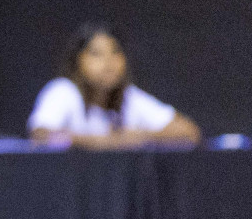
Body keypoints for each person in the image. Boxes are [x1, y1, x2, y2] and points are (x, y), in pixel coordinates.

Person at [28, 23, 201, 149]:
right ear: (78, 61)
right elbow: (41, 135)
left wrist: (138, 137)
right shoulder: (63, 91)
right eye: (96, 54)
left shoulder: (129, 97)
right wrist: (104, 141)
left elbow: (189, 132)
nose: (108, 63)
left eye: (115, 52)